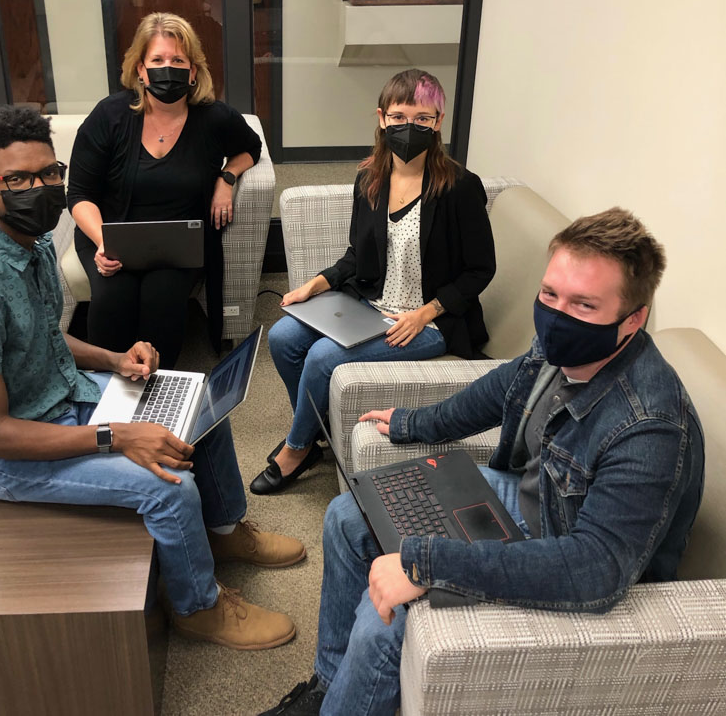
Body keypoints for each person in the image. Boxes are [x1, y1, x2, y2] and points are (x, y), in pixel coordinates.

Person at [259, 208, 705, 714]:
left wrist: (426, 564)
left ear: (634, 318)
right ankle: (328, 686)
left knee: (386, 614)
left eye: (584, 305)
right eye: (550, 295)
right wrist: (413, 423)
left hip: (568, 548)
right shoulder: (563, 351)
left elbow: (596, 568)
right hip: (532, 497)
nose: (557, 316)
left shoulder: (648, 426)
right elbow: (501, 388)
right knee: (347, 515)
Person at [0, 105, 303, 652]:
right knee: (168, 488)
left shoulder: (27, 245)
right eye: (18, 180)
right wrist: (117, 436)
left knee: (194, 403)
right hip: (4, 454)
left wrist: (116, 359)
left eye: (49, 174)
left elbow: (43, 340)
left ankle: (222, 533)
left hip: (59, 396)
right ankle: (198, 607)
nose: (41, 188)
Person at [251, 69, 496, 496]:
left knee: (324, 356)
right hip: (372, 304)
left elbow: (481, 269)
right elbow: (356, 256)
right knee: (285, 336)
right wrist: (316, 284)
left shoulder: (459, 186)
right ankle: (319, 431)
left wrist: (425, 313)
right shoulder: (370, 179)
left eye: (423, 118)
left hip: (428, 322)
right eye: (399, 116)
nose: (409, 127)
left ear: (438, 122)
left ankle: (297, 447)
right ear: (382, 118)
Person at [67, 12, 261, 366]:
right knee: (112, 300)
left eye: (177, 61)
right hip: (111, 236)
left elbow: (251, 148)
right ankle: (108, 386)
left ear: (192, 71)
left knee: (163, 300)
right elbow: (79, 193)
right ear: (140, 69)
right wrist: (102, 242)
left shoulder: (213, 117)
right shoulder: (109, 116)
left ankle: (158, 390)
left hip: (178, 243)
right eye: (157, 60)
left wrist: (227, 178)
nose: (166, 68)